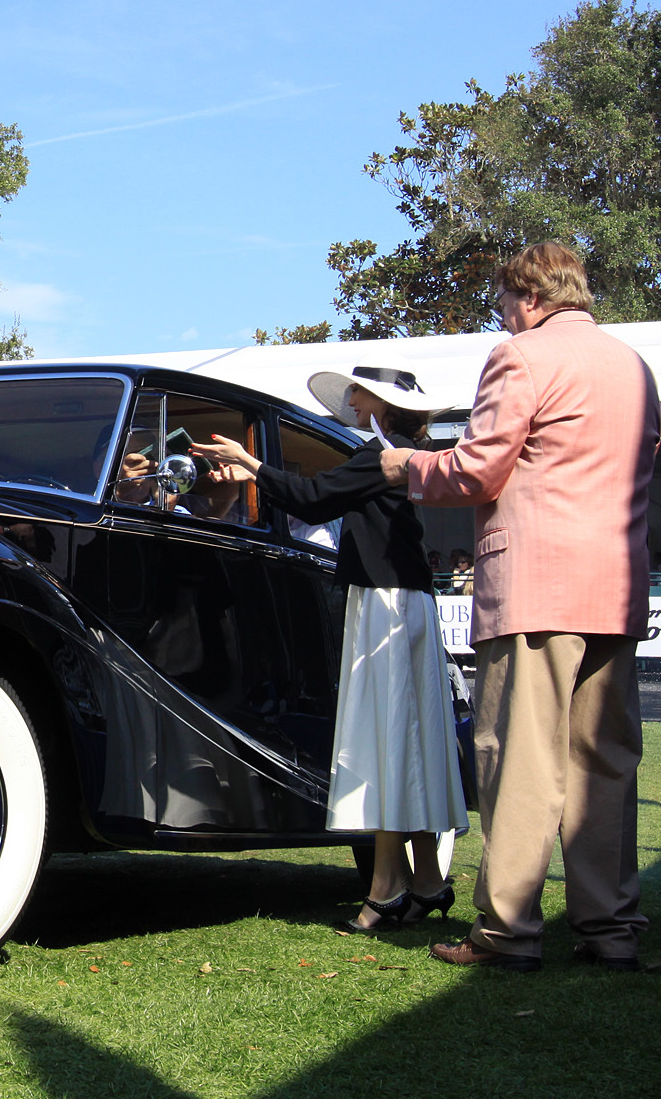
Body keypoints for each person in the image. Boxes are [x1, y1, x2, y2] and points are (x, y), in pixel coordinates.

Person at [380, 241, 661, 973]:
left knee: (522, 763)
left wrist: (405, 464)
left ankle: (507, 930)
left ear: (530, 297)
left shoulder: (521, 356)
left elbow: (477, 468)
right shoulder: (635, 366)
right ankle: (610, 928)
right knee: (606, 767)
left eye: (504, 303)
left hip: (537, 588)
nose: (502, 318)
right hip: (616, 588)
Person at [193, 364, 466, 932]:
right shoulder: (395, 451)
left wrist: (250, 465)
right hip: (402, 600)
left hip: (386, 603)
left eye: (359, 390)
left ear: (378, 401)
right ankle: (425, 880)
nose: (351, 396)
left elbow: (312, 499)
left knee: (388, 736)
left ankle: (390, 886)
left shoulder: (380, 455)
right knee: (405, 737)